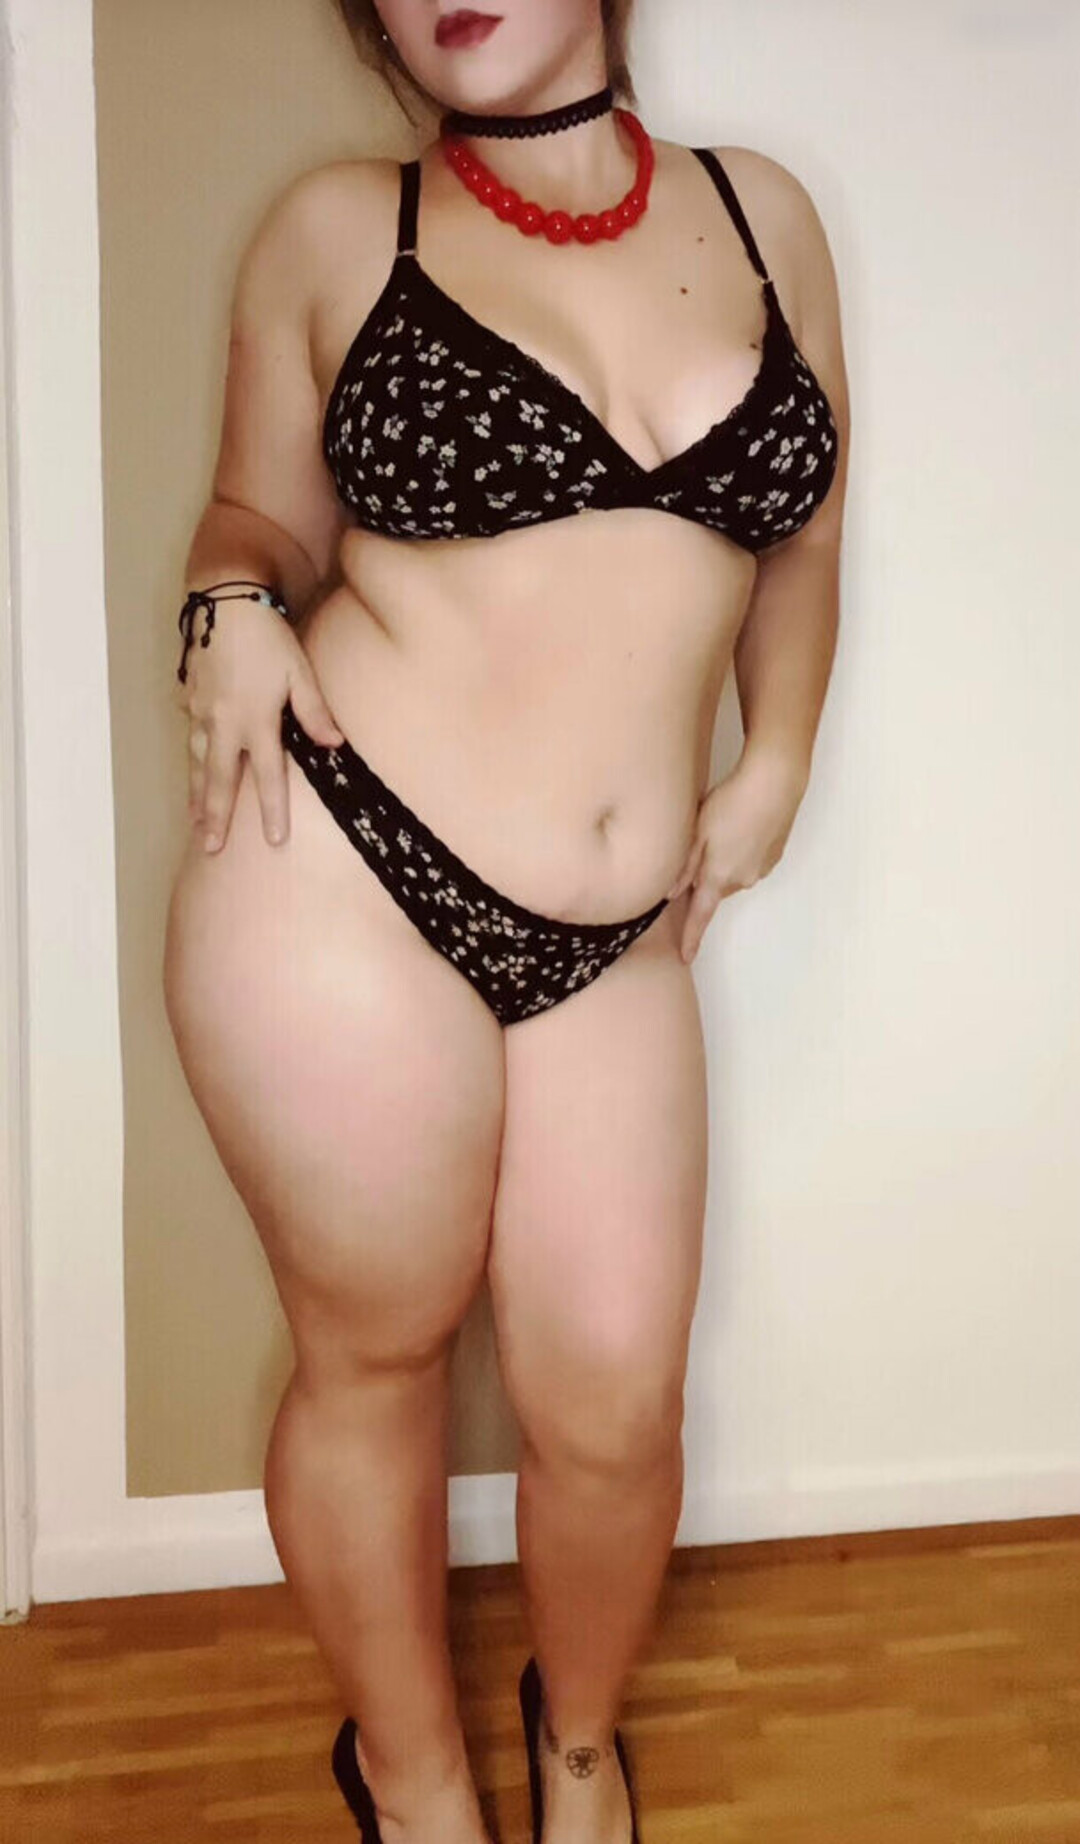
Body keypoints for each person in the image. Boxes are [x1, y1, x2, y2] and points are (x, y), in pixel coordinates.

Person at [162, 2, 849, 1841]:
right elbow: (252, 520)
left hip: (614, 940)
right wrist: (230, 606)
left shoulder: (766, 217)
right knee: (374, 1355)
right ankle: (412, 1781)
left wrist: (779, 756)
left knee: (615, 1403)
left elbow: (802, 537)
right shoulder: (338, 228)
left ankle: (579, 1744)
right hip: (343, 870)